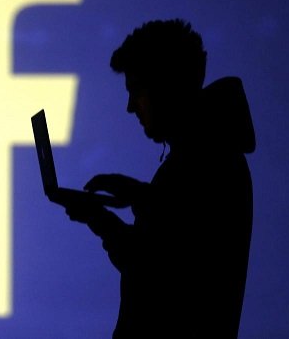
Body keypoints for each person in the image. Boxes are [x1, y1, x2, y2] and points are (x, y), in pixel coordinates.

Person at [58, 19, 254, 338]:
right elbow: (178, 235)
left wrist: (101, 219)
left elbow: (157, 273)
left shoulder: (203, 164)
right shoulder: (213, 156)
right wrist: (139, 195)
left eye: (137, 91)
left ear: (166, 87)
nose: (130, 107)